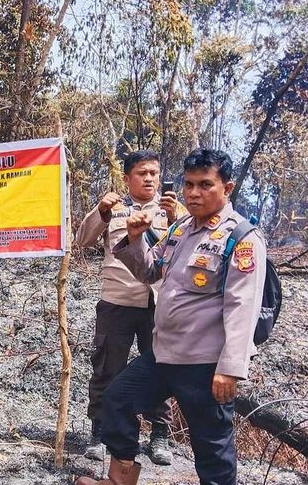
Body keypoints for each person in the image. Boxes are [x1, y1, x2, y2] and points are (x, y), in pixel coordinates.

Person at [75, 149, 267, 485]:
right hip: (165, 355)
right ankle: (120, 479)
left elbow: (243, 307)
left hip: (205, 363)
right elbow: (150, 271)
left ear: (228, 187)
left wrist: (230, 368)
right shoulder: (180, 230)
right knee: (118, 399)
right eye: (189, 184)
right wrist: (134, 239)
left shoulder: (241, 238)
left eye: (205, 184)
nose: (194, 193)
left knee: (211, 445)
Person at [75, 150, 182, 465]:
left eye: (153, 173)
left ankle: (159, 436)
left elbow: (191, 245)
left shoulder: (172, 210)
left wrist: (177, 217)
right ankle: (99, 433)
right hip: (117, 302)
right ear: (127, 178)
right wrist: (101, 212)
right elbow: (82, 239)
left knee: (163, 369)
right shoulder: (114, 208)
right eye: (141, 173)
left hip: (159, 303)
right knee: (107, 367)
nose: (149, 178)